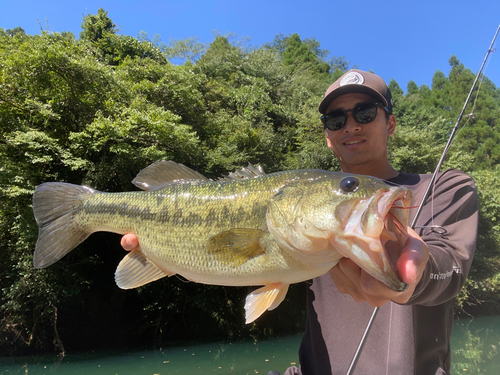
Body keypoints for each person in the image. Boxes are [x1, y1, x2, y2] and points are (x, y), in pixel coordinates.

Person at [121, 69, 479, 375]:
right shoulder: (304, 217)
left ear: (391, 123)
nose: (350, 125)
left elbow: (449, 267)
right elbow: (231, 264)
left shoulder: (443, 187)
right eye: (336, 120)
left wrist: (415, 275)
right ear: (327, 136)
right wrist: (168, 253)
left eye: (365, 113)